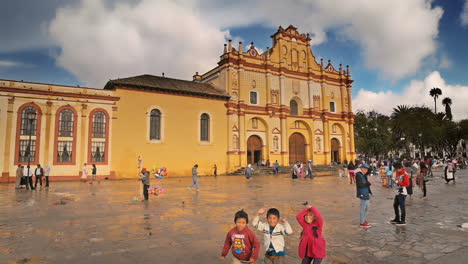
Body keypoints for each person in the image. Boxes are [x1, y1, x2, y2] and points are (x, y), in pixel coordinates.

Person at [355, 163, 372, 227]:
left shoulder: (363, 175)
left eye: (367, 169)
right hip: (362, 193)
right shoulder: (358, 175)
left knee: (366, 207)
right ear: (361, 169)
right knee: (363, 208)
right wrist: (369, 183)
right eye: (365, 169)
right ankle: (362, 222)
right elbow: (360, 185)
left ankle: (364, 220)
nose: (366, 171)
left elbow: (370, 171)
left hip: (366, 192)